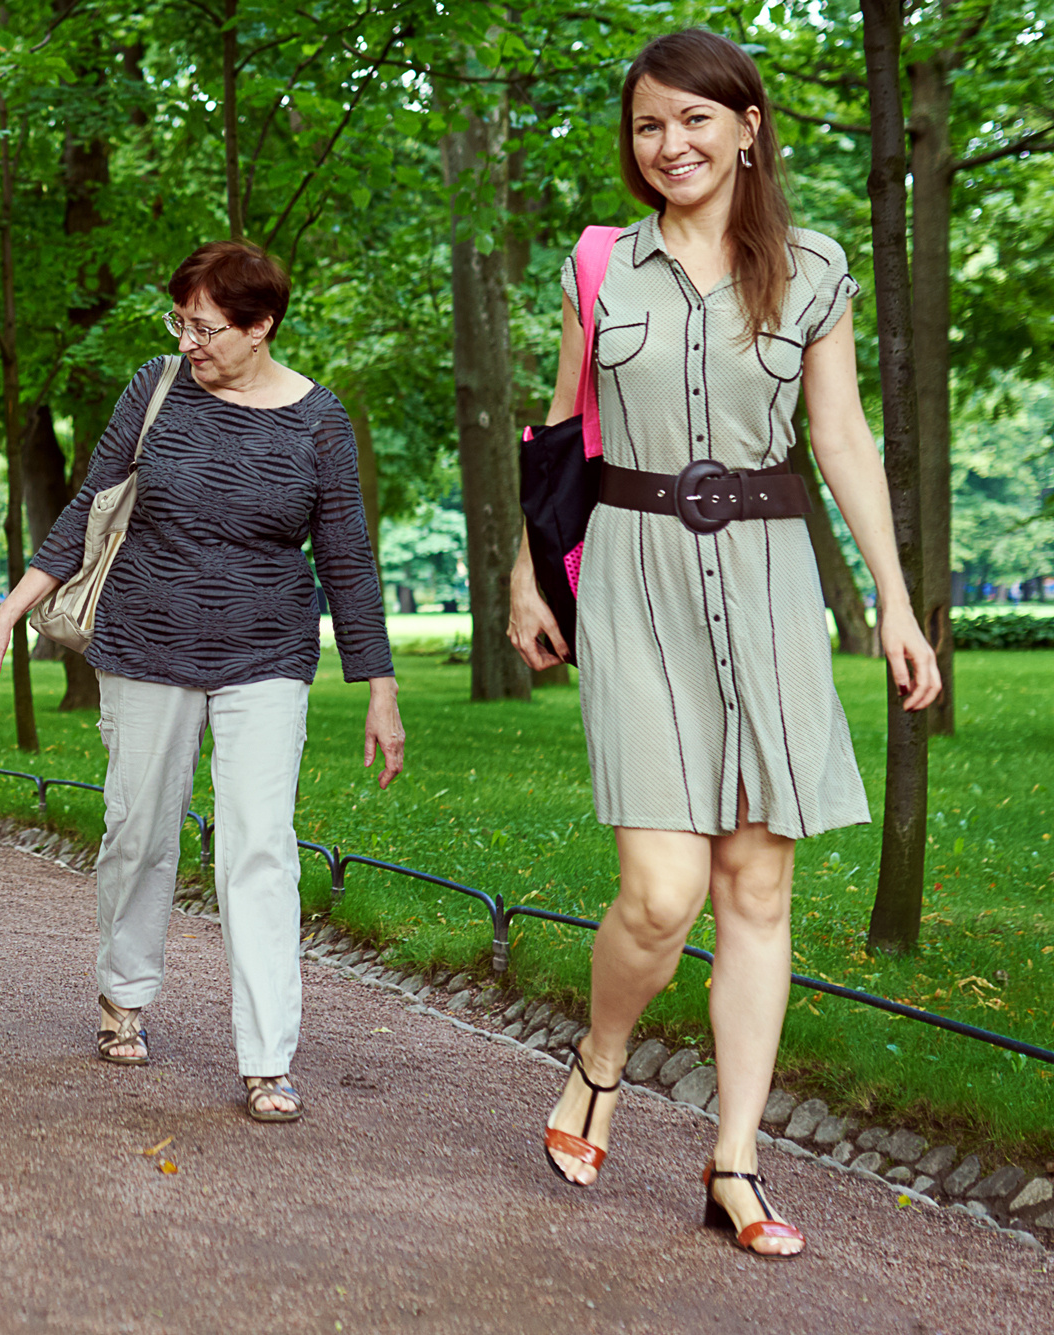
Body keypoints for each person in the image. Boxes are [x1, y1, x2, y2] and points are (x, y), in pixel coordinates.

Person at [507, 30, 941, 1257]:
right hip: (634, 582)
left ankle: (732, 1164)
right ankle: (600, 1057)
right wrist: (523, 578)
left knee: (756, 883)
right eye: (648, 126)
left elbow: (843, 441)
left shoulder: (810, 268)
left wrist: (895, 602)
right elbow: (559, 432)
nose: (670, 145)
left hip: (763, 579)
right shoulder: (599, 265)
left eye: (695, 120)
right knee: (660, 891)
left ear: (748, 127)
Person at [0, 241, 405, 1123]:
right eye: (181, 322)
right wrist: (7, 615)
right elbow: (88, 506)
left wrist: (377, 686)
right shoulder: (155, 387)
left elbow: (347, 557)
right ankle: (124, 994)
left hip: (265, 652)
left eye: (207, 327)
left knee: (260, 848)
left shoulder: (319, 420)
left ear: (261, 325)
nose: (189, 342)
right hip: (147, 639)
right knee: (139, 830)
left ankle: (267, 1058)